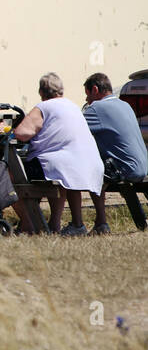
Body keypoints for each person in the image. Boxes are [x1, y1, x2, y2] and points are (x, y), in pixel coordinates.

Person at [12, 72, 104, 235]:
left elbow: (22, 133)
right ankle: (55, 224)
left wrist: (9, 131)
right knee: (60, 175)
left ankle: (28, 223)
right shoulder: (73, 106)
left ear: (41, 92)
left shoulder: (43, 107)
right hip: (87, 163)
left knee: (11, 173)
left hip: (58, 165)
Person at [83, 72, 148, 234]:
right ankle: (100, 223)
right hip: (143, 166)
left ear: (95, 89)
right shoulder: (124, 105)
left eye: (87, 95)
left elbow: (73, 131)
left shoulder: (97, 108)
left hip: (125, 170)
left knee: (92, 171)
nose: (87, 100)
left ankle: (100, 223)